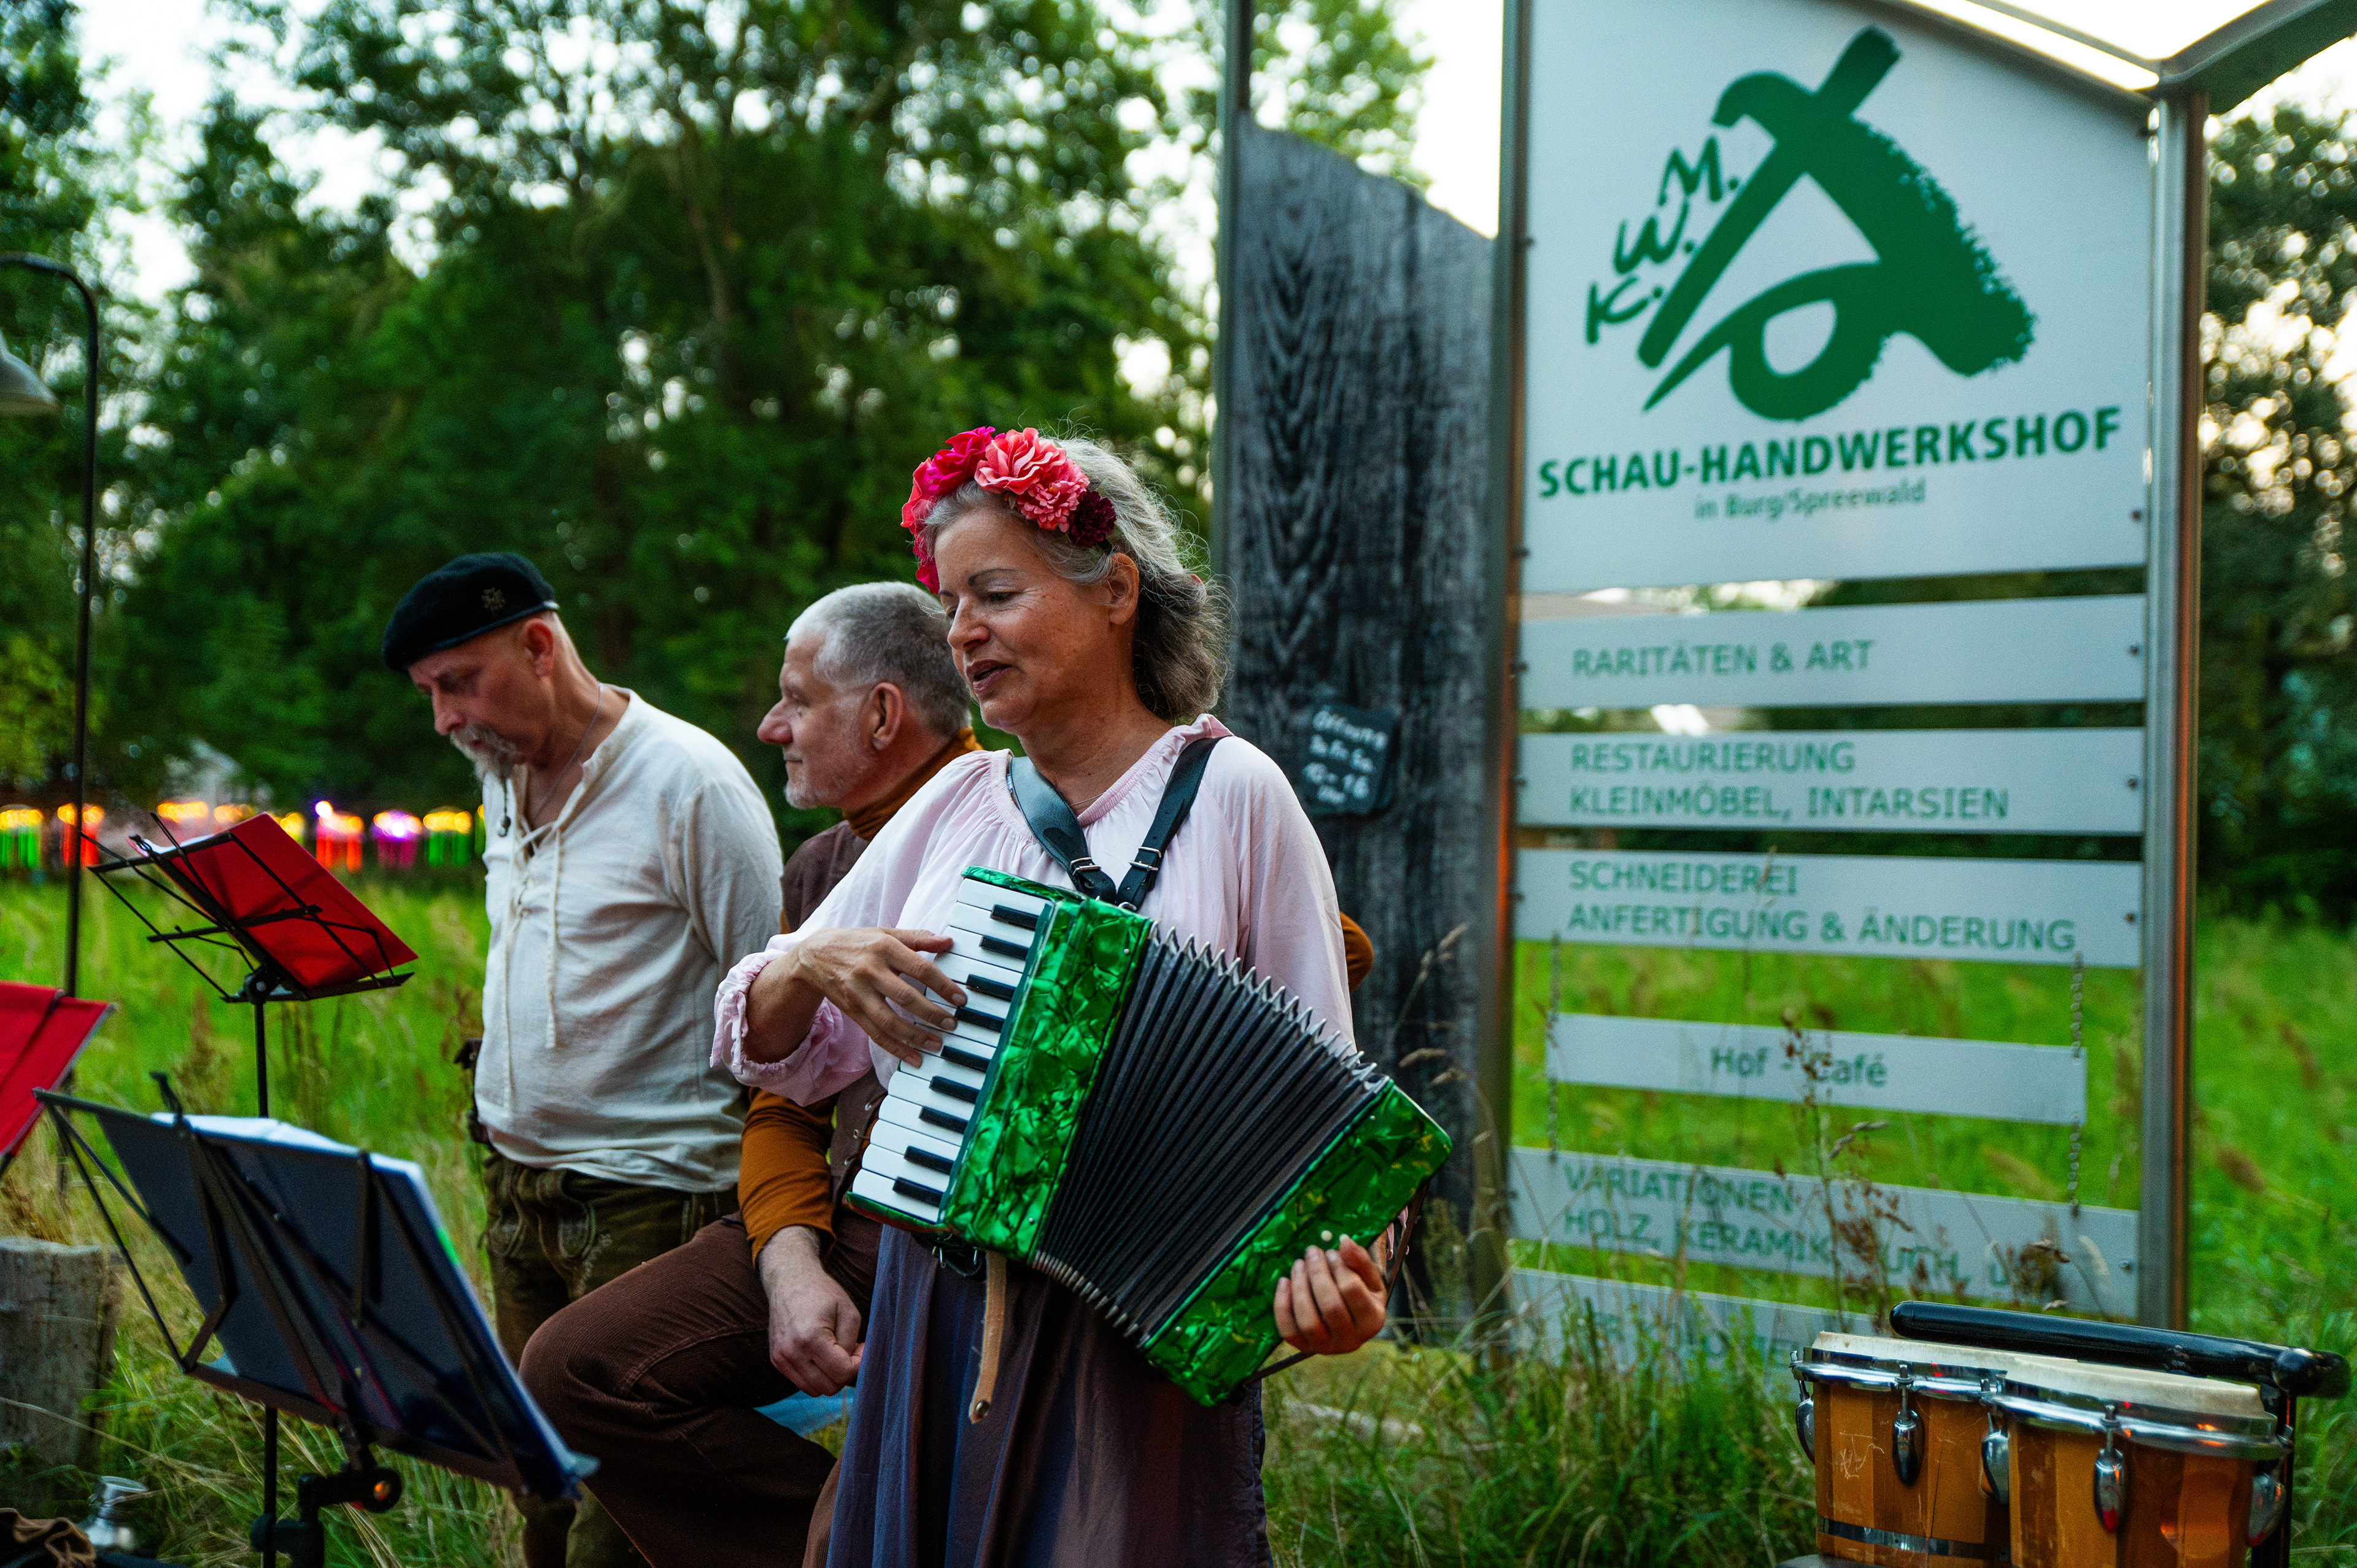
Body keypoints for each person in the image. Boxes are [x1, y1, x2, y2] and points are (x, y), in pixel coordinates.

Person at [712, 429, 1392, 1567]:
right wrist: (807, 962)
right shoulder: (957, 802)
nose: (962, 632)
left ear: (1115, 588)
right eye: (950, 605)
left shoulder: (1237, 797)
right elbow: (761, 1039)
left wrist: (1338, 1285)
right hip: (936, 1319)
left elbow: (1330, 1132)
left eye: (994, 593)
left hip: (1140, 1351)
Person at [519, 583, 983, 1568]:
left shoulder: (1018, 822)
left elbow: (1324, 952)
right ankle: (861, 1535)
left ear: (882, 714)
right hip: (842, 1224)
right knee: (574, 1369)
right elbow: (779, 1106)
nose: (773, 725)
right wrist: (792, 1264)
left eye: (798, 699)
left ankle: (869, 1532)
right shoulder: (819, 866)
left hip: (967, 1240)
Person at [381, 552, 784, 1568]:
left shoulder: (689, 783)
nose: (444, 719)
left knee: (629, 1527)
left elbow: (773, 1010)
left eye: (458, 683)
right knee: (543, 1500)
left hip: (654, 1201)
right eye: (430, 694)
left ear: (539, 645)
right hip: (520, 1197)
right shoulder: (501, 782)